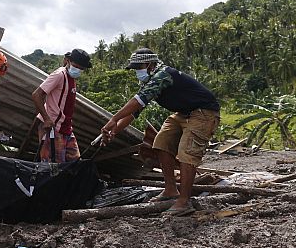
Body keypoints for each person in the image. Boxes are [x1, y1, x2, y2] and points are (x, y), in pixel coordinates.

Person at [101, 48, 220, 216]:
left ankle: (184, 201)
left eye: (139, 67)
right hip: (182, 114)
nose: (137, 72)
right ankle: (170, 189)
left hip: (203, 113)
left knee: (187, 153)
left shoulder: (163, 74)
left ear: (150, 65)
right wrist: (114, 131)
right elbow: (134, 112)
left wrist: (113, 119)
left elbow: (138, 100)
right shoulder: (148, 82)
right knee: (161, 143)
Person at [31, 48, 92, 163]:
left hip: (66, 128)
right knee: (53, 166)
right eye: (76, 66)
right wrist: (47, 119)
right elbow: (36, 95)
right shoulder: (59, 75)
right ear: (68, 61)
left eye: (81, 68)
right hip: (53, 127)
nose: (77, 70)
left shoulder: (72, 78)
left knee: (75, 163)